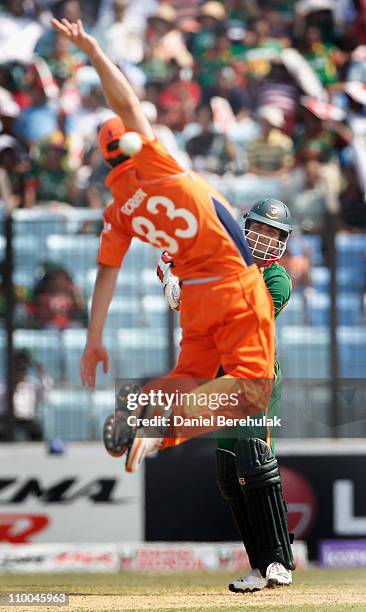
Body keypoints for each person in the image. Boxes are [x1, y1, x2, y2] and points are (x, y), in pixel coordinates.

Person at [51, 17, 275, 474]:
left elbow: (106, 275)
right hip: (234, 284)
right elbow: (126, 100)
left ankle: (144, 415)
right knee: (253, 390)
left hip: (194, 297)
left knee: (190, 377)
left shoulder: (118, 212)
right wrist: (94, 52)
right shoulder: (156, 165)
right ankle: (157, 425)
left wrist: (94, 341)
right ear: (132, 145)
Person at [157, 198, 295, 592]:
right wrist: (177, 281)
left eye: (275, 233)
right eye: (261, 229)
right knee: (229, 477)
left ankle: (280, 562)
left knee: (256, 463)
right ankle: (257, 567)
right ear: (246, 229)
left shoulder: (277, 279)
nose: (266, 238)